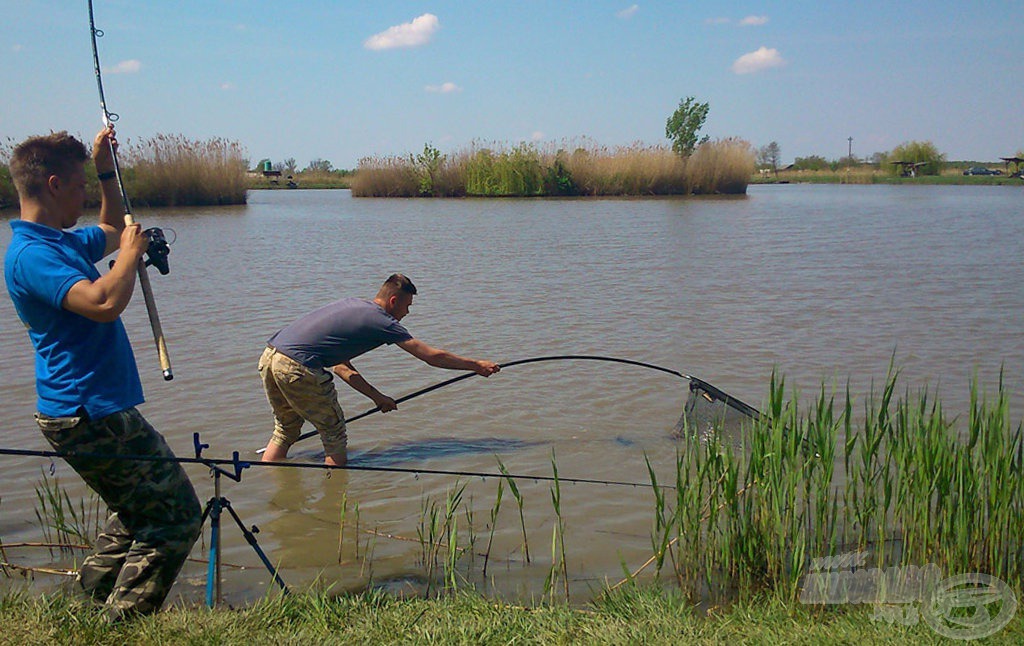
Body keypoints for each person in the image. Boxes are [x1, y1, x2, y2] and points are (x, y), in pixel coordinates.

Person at [3, 128, 202, 621]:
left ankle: (87, 607)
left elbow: (112, 225)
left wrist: (104, 168)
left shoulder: (61, 243)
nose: (84, 198)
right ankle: (122, 622)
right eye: (78, 188)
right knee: (176, 516)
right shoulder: (33, 256)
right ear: (52, 185)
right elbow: (103, 302)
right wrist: (130, 257)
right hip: (87, 410)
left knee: (135, 514)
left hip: (90, 408)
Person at [259, 273, 501, 466]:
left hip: (271, 357)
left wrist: (378, 398)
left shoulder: (353, 305)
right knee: (333, 433)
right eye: (407, 306)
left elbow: (342, 367)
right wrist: (476, 366)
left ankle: (271, 476)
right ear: (393, 301)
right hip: (297, 366)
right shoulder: (383, 322)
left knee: (286, 427)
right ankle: (334, 495)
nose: (407, 312)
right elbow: (431, 356)